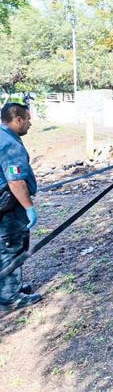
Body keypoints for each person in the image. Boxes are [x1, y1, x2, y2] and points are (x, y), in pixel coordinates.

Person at [0, 97, 42, 311]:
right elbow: (15, 180)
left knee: (5, 247)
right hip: (8, 207)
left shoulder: (2, 135)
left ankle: (10, 287)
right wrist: (29, 207)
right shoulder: (9, 144)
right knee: (12, 246)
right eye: (27, 119)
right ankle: (10, 298)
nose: (30, 123)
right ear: (17, 119)